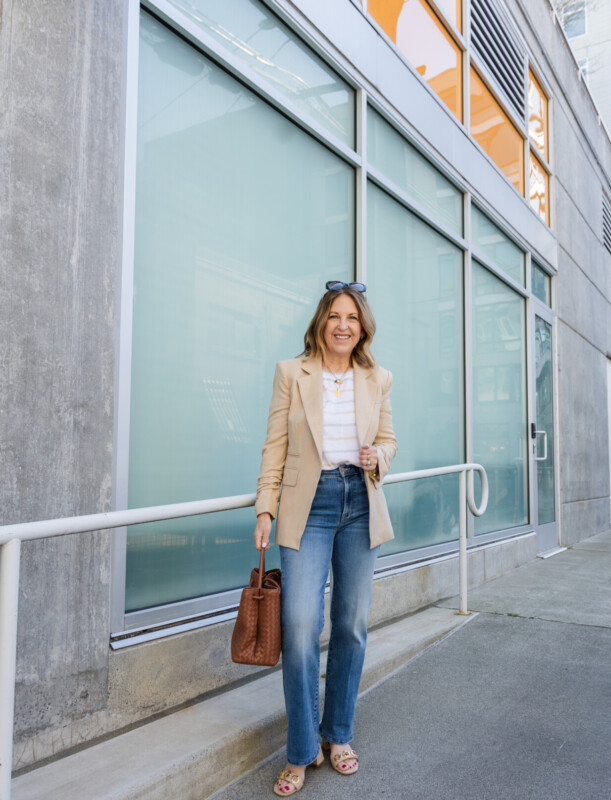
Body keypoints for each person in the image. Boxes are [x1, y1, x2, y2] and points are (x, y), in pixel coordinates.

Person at [253, 280, 397, 796]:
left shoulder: (376, 377)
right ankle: (300, 749)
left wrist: (378, 457)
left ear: (362, 328)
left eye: (352, 318)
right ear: (321, 321)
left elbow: (388, 439)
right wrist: (265, 508)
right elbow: (274, 446)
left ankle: (337, 734)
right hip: (305, 508)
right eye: (335, 315)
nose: (343, 325)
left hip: (359, 502)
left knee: (351, 625)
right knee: (298, 626)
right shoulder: (292, 373)